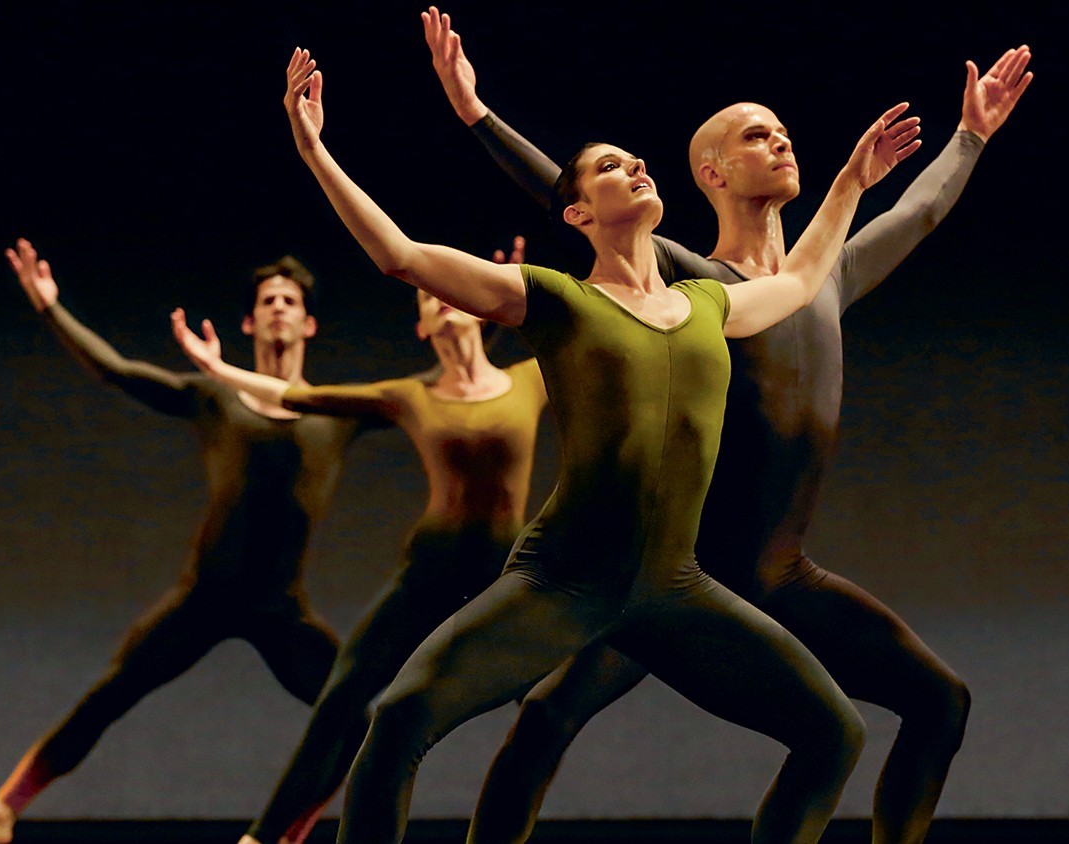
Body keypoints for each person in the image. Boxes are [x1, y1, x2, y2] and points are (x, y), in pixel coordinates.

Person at [270, 43, 918, 844]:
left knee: (834, 735)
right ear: (577, 213)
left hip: (673, 589)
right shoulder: (555, 298)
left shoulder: (711, 303)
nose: (636, 165)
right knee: (399, 720)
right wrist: (315, 149)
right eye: (611, 166)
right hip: (561, 583)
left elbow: (802, 278)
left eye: (637, 159)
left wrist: (852, 182)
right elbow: (399, 256)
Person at [421, 8, 1033, 843]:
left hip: (780, 575)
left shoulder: (827, 276)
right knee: (544, 719)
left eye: (783, 132)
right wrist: (476, 115)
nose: (781, 142)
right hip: (674, 578)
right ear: (710, 172)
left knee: (939, 702)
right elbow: (565, 195)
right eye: (757, 136)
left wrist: (969, 135)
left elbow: (918, 213)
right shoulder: (690, 280)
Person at [0, 242, 364, 844]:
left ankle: (286, 835)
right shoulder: (213, 397)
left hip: (280, 609)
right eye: (266, 300)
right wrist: (51, 308)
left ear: (309, 322)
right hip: (205, 598)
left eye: (289, 301)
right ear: (248, 321)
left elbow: (440, 398)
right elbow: (118, 371)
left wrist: (480, 325)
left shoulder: (338, 413)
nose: (277, 308)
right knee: (110, 693)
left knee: (357, 722)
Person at [169, 241, 549, 844]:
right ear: (422, 326)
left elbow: (589, 343)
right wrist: (218, 369)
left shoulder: (530, 381)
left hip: (503, 576)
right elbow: (304, 398)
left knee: (550, 704)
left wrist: (508, 292)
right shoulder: (411, 396)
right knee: (344, 700)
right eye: (429, 297)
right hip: (427, 573)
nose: (444, 302)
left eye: (455, 293)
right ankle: (265, 836)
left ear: (477, 309)